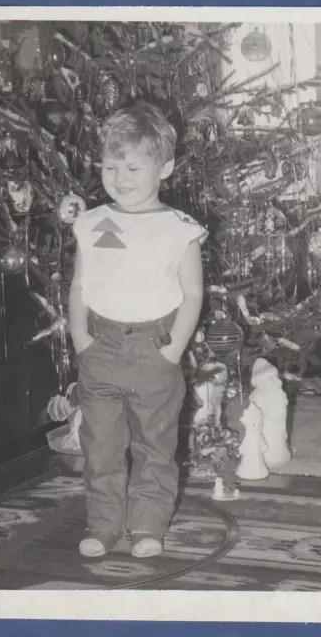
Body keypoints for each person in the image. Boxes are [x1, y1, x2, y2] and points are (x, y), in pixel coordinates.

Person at [69, 101, 208, 559]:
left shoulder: (180, 230)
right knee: (101, 444)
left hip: (156, 348)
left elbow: (191, 295)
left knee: (155, 444)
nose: (120, 177)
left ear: (164, 168)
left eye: (132, 166)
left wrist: (173, 351)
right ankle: (104, 525)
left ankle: (148, 526)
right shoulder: (90, 224)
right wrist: (81, 339)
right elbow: (79, 285)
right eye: (110, 166)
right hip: (100, 348)